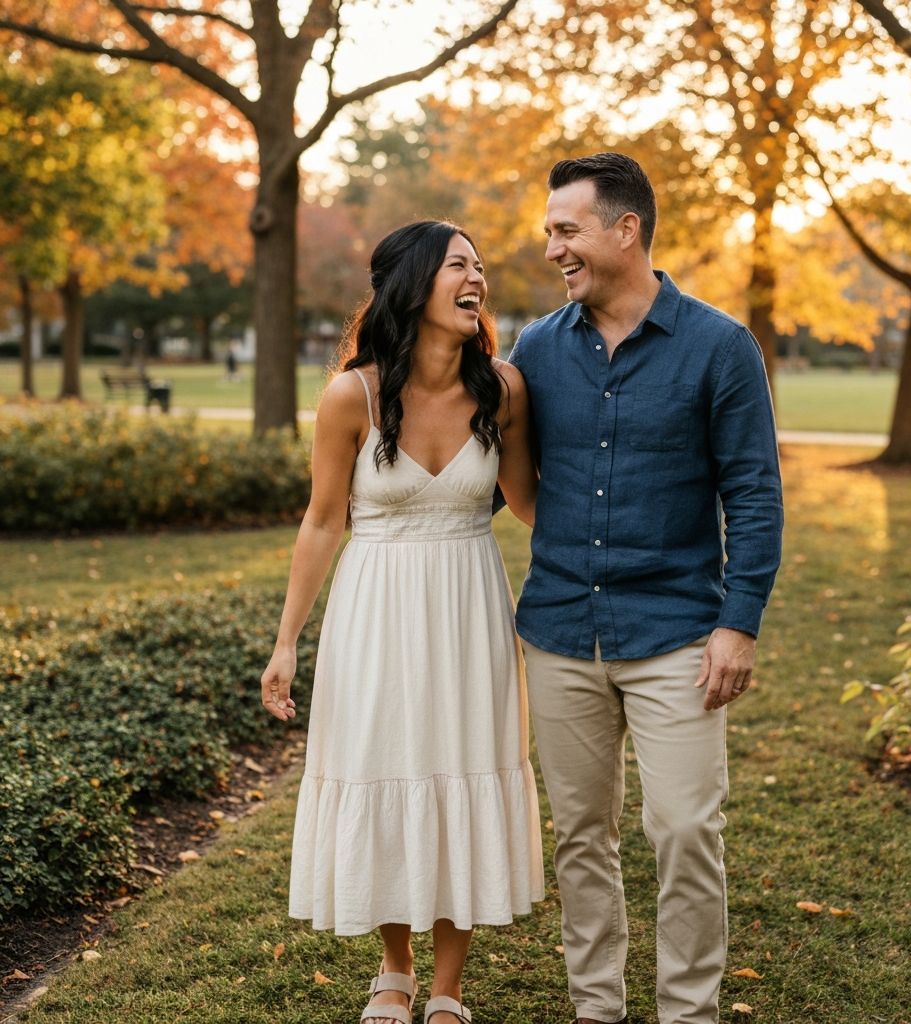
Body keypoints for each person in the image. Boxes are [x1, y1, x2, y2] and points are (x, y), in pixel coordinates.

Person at [508, 153, 784, 1024]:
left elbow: (754, 493)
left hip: (677, 637)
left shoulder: (719, 346)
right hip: (558, 633)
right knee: (581, 836)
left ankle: (688, 1012)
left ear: (626, 229)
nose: (553, 248)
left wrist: (738, 624)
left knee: (686, 831)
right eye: (550, 231)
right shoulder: (536, 348)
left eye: (567, 230)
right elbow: (505, 472)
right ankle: (597, 1006)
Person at [261, 220, 545, 1024]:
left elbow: (527, 504)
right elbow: (322, 521)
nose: (477, 279)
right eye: (460, 265)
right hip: (375, 608)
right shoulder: (351, 395)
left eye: (481, 268)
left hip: (469, 604)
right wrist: (287, 644)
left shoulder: (505, 389)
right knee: (386, 762)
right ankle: (396, 967)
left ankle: (449, 985)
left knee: (464, 761)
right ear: (414, 283)